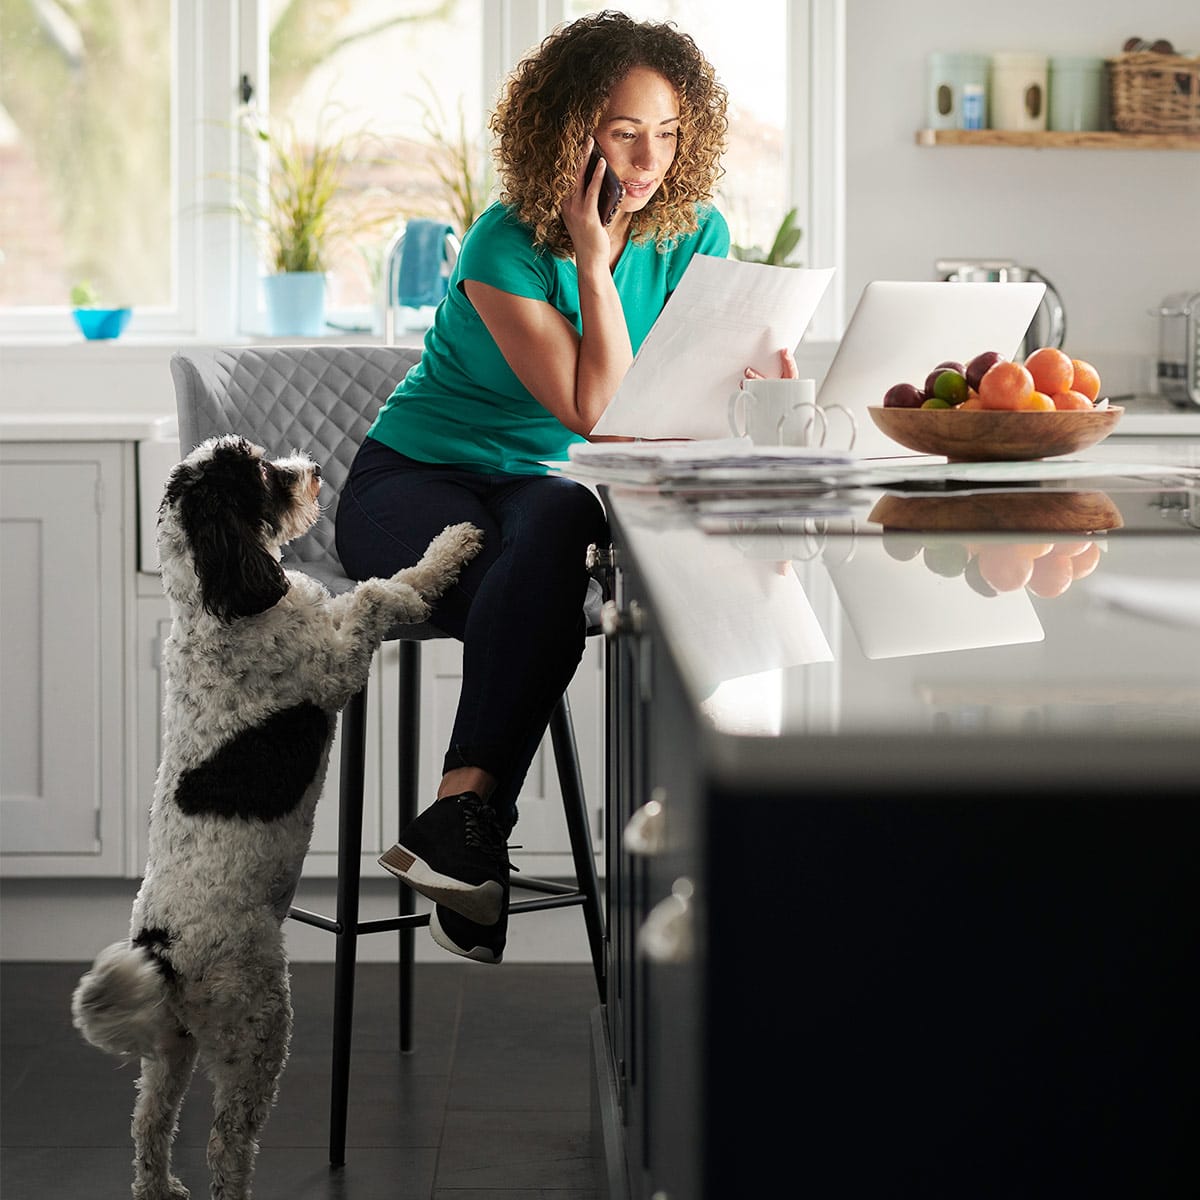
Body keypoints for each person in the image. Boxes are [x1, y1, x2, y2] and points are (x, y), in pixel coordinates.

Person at [335, 8, 798, 965]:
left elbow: (666, 400)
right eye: (625, 130)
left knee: (559, 521)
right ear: (570, 128)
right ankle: (468, 828)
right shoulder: (505, 244)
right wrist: (592, 257)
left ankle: (460, 823)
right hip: (415, 480)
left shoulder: (692, 231)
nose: (647, 157)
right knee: (543, 585)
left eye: (667, 132)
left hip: (532, 496)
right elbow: (599, 406)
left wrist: (751, 384)